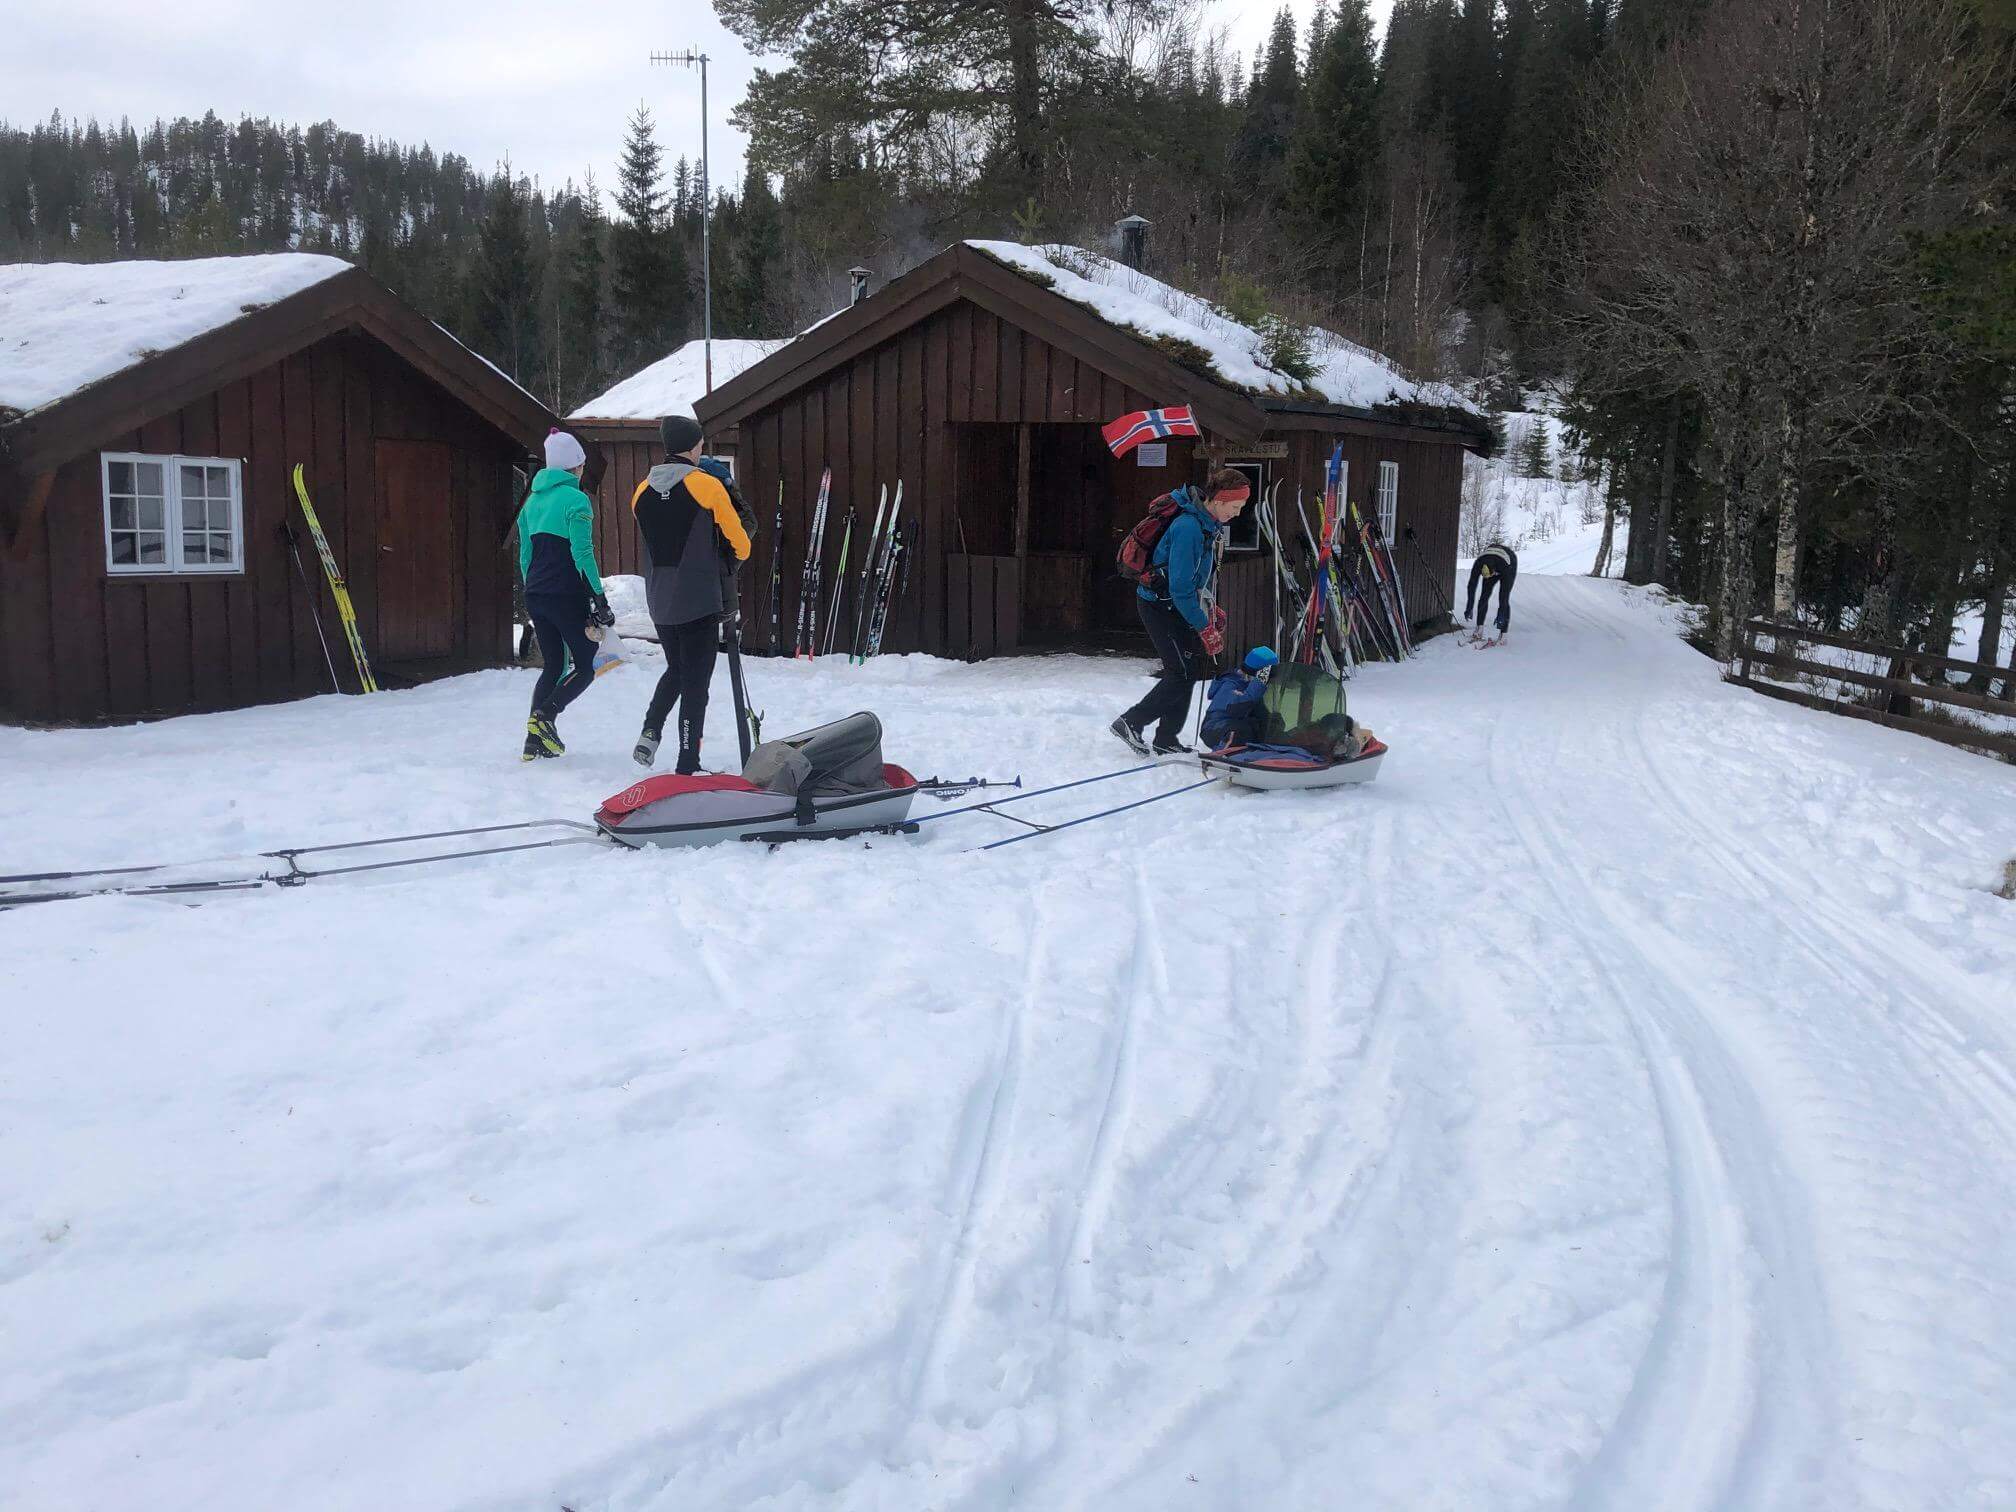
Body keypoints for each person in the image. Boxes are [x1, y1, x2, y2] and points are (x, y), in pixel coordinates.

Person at [631, 414, 753, 772]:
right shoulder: (706, 486)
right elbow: (741, 544)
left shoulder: (641, 490)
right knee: (696, 682)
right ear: (693, 445)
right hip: (698, 598)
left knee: (678, 669)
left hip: (659, 599)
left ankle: (651, 730)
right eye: (700, 443)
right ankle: (687, 762)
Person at [1111, 467, 1252, 755]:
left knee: (1188, 669)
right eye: (1236, 507)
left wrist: (1211, 609)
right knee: (1181, 671)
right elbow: (1180, 588)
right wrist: (1204, 627)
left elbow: (1196, 581)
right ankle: (1131, 722)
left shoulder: (1205, 524)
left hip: (1177, 606)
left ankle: (1166, 739)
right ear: (1220, 500)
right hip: (1159, 605)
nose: (1237, 514)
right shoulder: (1188, 527)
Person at [517, 429, 613, 760]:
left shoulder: (531, 502)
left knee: (554, 665)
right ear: (575, 467)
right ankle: (545, 717)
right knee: (586, 665)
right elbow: (582, 553)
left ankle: (534, 743)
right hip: (565, 592)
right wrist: (599, 598)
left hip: (537, 593)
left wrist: (533, 588)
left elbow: (525, 556)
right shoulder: (576, 500)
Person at [1200, 646, 1278, 750]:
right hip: (1214, 729)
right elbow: (1239, 707)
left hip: (1238, 722)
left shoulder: (1250, 685)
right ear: (1258, 674)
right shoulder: (1231, 684)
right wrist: (1259, 683)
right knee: (1240, 731)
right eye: (1266, 677)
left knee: (1273, 722)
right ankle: (1224, 755)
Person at [1465, 543, 1518, 641]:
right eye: (1485, 576)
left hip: (1508, 562)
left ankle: (1503, 635)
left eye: (1490, 575)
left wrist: (1501, 614)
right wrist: (1469, 607)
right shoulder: (1478, 564)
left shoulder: (1504, 567)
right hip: (1490, 560)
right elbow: (1471, 586)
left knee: (1503, 598)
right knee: (1484, 596)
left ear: (1493, 571)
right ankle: (1479, 629)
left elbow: (1504, 596)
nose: (1488, 578)